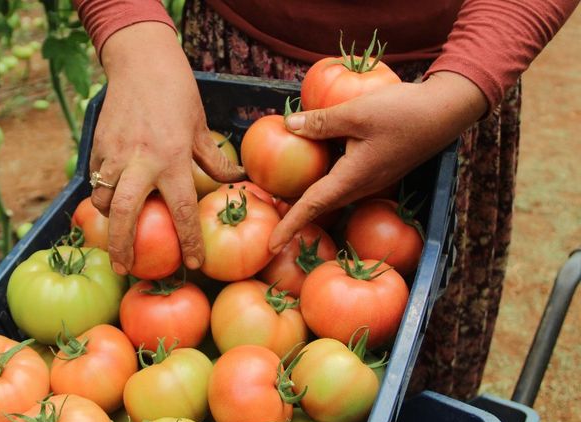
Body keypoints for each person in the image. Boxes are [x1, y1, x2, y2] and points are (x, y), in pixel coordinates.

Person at [72, 0, 579, 399]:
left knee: (418, 355)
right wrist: (131, 32)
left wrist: (463, 86)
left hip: (440, 89)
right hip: (221, 51)